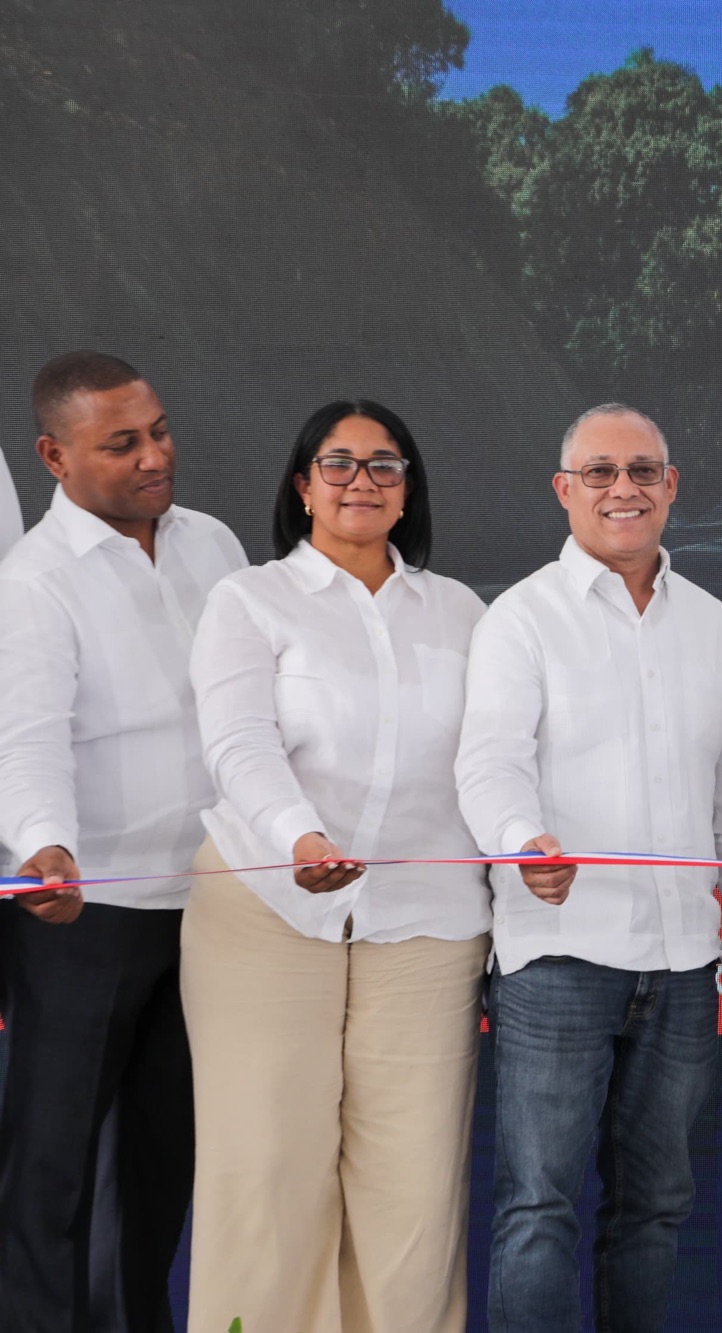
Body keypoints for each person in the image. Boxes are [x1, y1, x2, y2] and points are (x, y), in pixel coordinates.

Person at [456, 403, 722, 1331]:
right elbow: (489, 761)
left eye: (643, 471)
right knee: (538, 1209)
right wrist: (521, 844)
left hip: (684, 965)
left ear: (672, 486)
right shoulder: (520, 619)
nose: (623, 489)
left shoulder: (716, 626)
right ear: (565, 490)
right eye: (600, 472)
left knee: (657, 1207)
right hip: (558, 956)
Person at [182, 401, 490, 1331]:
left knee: (415, 1189)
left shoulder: (465, 611)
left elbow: (494, 758)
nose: (363, 479)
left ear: (410, 491)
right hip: (266, 911)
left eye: (385, 465)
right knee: (266, 1168)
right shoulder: (249, 599)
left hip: (430, 925)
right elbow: (237, 740)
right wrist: (296, 838)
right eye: (340, 462)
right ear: (302, 483)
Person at [0, 351, 246, 1331]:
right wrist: (45, 847)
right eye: (122, 443)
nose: (156, 455)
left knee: (160, 1169)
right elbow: (25, 738)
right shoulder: (31, 582)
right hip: (83, 915)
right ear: (55, 457)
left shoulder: (215, 544)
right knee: (49, 1172)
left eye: (158, 430)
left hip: (214, 916)